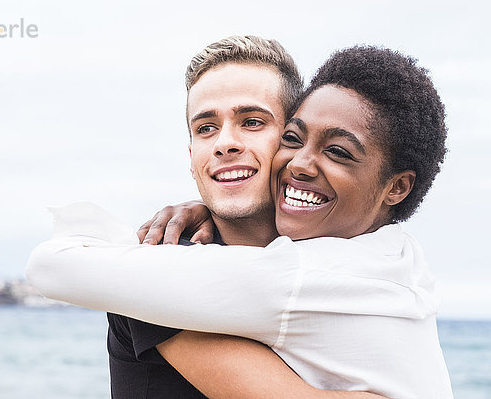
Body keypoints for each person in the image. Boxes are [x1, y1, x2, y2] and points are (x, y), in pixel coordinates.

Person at [26, 45, 454, 398]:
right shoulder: (400, 258)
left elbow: (56, 266)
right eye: (206, 128)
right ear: (190, 154)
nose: (227, 143)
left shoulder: (298, 274)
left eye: (252, 122)